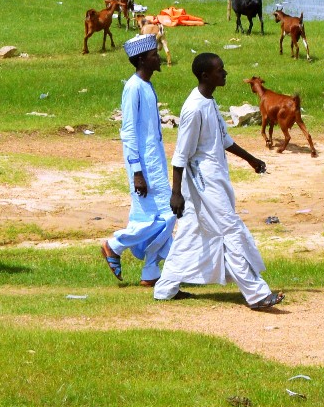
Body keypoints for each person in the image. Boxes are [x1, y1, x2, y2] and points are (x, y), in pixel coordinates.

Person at [152, 52, 283, 309]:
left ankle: (165, 289)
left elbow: (224, 140)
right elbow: (180, 156)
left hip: (215, 178)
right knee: (231, 230)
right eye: (220, 70)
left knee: (189, 233)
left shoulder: (209, 102)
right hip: (203, 184)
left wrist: (251, 159)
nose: (225, 74)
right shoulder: (193, 109)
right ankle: (256, 293)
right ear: (205, 75)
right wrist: (175, 193)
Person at [103, 33, 174, 286]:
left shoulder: (147, 86)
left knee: (163, 216)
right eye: (155, 55)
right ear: (143, 59)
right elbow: (129, 131)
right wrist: (136, 172)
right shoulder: (133, 87)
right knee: (164, 214)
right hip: (143, 165)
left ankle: (151, 271)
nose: (159, 59)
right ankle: (114, 245)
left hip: (155, 161)